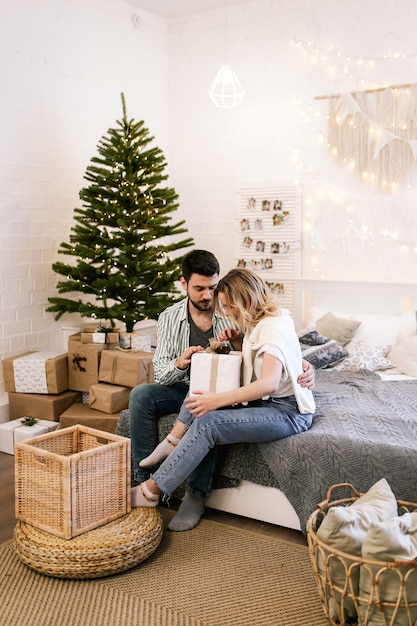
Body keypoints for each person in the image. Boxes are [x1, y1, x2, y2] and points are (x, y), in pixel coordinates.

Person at [129, 251, 315, 531]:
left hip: (286, 410)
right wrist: (239, 343)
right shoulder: (260, 322)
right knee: (194, 397)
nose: (225, 312)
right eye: (201, 289)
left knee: (208, 420)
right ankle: (159, 462)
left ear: (241, 301)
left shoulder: (272, 326)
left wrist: (217, 400)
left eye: (227, 306)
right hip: (263, 402)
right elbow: (258, 366)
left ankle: (152, 492)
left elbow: (268, 383)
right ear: (185, 284)